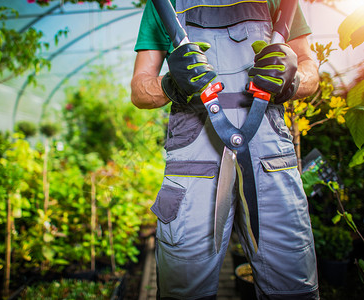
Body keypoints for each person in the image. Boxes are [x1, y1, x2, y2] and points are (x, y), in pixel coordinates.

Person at [130, 1, 320, 299]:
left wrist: (294, 79)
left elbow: (310, 68)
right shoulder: (165, 4)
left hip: (270, 159)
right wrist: (169, 85)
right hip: (194, 164)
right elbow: (139, 90)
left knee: (293, 288)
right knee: (184, 290)